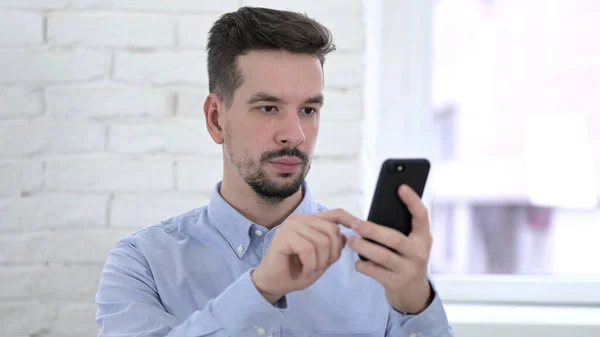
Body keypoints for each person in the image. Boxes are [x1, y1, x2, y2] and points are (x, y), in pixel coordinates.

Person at [95, 6, 453, 337]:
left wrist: (416, 306)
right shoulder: (143, 263)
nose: (294, 135)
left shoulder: (379, 264)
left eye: (309, 110)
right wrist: (260, 290)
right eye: (268, 108)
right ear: (216, 119)